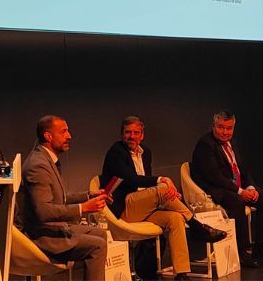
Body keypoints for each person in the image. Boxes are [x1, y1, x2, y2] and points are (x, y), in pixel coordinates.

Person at [100, 115, 226, 280]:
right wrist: (162, 181)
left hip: (143, 207)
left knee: (175, 218)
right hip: (125, 208)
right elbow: (131, 178)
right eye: (127, 132)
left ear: (142, 135)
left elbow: (147, 186)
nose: (131, 136)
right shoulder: (116, 152)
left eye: (135, 133)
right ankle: (196, 225)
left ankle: (181, 273)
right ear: (122, 134)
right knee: (163, 187)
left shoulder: (146, 153)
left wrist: (167, 197)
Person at [16, 115, 112, 280]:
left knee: (101, 234)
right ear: (48, 136)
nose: (69, 136)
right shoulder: (38, 165)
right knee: (98, 246)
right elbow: (44, 211)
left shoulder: (46, 159)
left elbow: (59, 198)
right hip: (42, 236)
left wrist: (88, 195)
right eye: (64, 132)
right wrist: (84, 208)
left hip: (52, 227)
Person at [190, 110, 263, 268]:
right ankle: (241, 251)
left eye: (229, 128)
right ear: (213, 126)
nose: (225, 132)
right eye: (221, 127)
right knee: (237, 202)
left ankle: (259, 246)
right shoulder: (205, 144)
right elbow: (215, 177)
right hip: (216, 189)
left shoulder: (232, 143)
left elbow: (243, 170)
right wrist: (240, 191)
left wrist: (251, 187)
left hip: (235, 186)